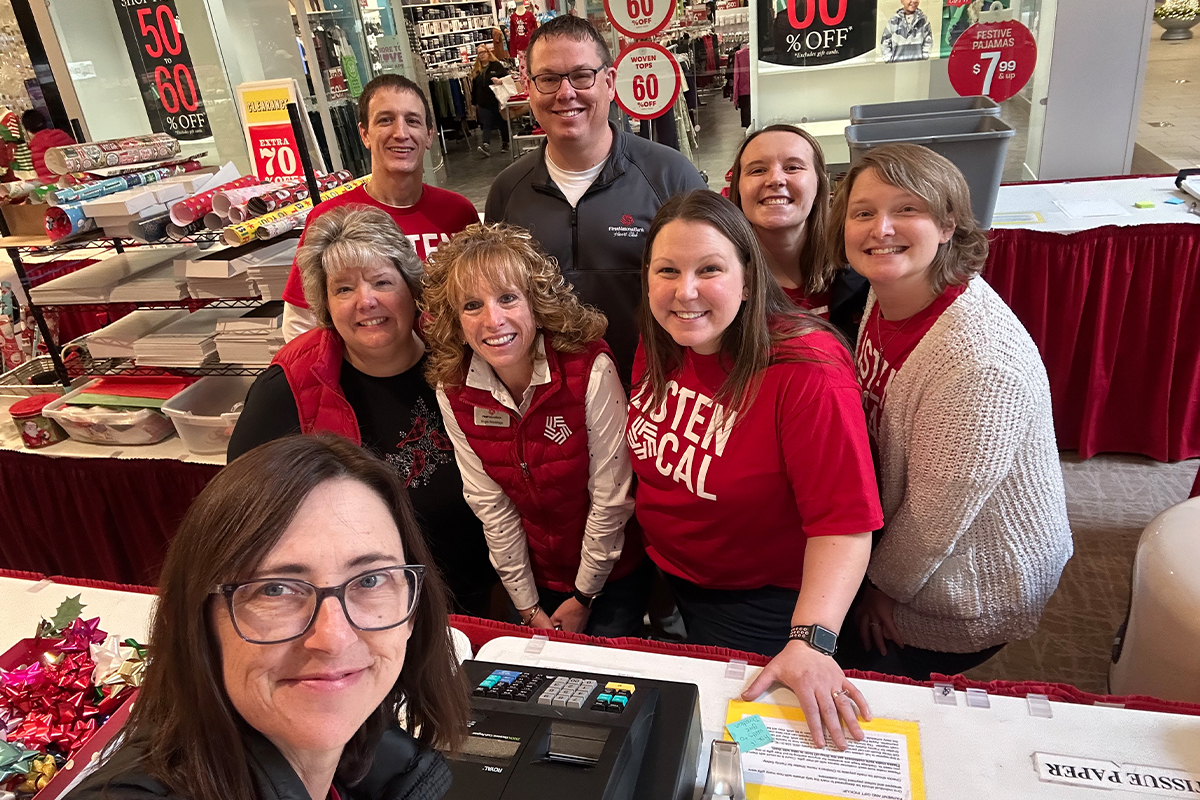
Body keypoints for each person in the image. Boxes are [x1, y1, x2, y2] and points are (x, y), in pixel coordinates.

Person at [66, 434, 468, 800]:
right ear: (194, 623)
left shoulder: (380, 765)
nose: (333, 638)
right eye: (274, 589)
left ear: (415, 609)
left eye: (371, 579)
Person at [629, 190, 883, 750]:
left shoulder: (805, 372)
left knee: (744, 747)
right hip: (672, 576)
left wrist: (812, 641)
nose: (685, 291)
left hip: (760, 601)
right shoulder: (661, 340)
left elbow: (844, 523)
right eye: (667, 270)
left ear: (749, 276)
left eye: (710, 269)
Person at [829, 143, 1072, 680]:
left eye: (907, 209)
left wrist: (880, 592)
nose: (881, 229)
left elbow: (935, 519)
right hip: (910, 541)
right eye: (864, 212)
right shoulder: (889, 289)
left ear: (947, 225)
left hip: (964, 581)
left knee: (854, 682)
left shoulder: (978, 362)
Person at [229, 205, 496, 618]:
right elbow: (246, 518)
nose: (366, 301)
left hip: (482, 595)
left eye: (381, 281)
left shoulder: (466, 356)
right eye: (343, 289)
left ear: (412, 289)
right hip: (354, 611)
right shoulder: (289, 387)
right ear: (326, 307)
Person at [423, 223, 650, 636]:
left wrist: (583, 597)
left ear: (536, 303)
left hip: (611, 575)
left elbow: (611, 497)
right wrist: (526, 606)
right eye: (472, 305)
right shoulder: (453, 388)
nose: (493, 320)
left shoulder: (590, 369)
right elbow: (490, 506)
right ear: (454, 320)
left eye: (508, 298)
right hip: (532, 580)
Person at [485, 15, 707, 384]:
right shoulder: (507, 191)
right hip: (550, 404)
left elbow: (713, 287)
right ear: (530, 87)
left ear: (609, 82)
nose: (565, 92)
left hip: (657, 393)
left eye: (581, 75)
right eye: (549, 79)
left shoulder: (669, 176)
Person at [281, 74, 479, 341]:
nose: (401, 133)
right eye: (385, 120)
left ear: (429, 135)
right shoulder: (330, 218)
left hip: (451, 369)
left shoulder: (459, 213)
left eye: (412, 121)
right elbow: (301, 323)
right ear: (364, 134)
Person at [727, 124, 869, 342]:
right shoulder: (719, 285)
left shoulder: (863, 271)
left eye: (792, 167)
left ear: (821, 183)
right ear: (737, 187)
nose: (775, 179)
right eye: (757, 170)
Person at [471, 44, 511, 157]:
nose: (482, 55)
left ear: (488, 53)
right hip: (483, 102)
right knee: (486, 124)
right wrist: (473, 102)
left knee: (501, 122)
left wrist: (499, 81)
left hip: (497, 100)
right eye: (479, 53)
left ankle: (505, 142)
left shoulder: (496, 66)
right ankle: (486, 145)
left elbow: (507, 79)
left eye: (483, 52)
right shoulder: (477, 70)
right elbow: (474, 87)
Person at [21, 109, 74, 184]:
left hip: (52, 187)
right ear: (45, 122)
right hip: (76, 180)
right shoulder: (62, 136)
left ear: (28, 131)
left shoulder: (32, 150)